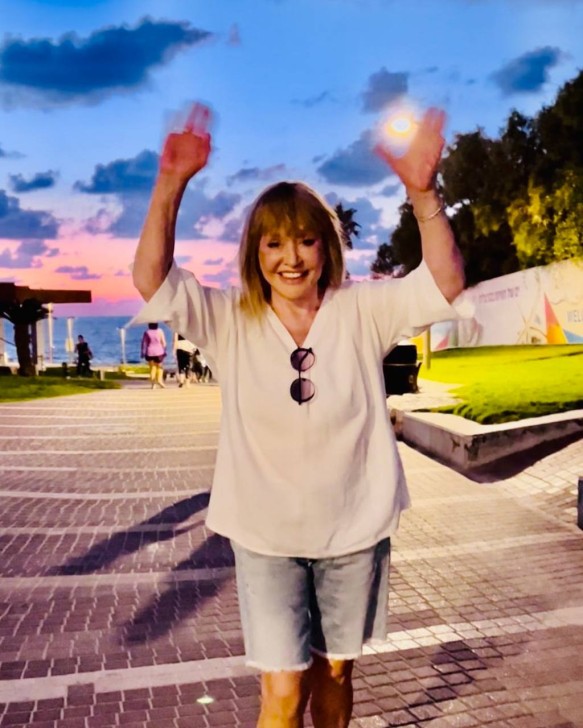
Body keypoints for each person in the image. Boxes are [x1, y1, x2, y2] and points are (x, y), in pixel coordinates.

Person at [132, 103, 465, 728]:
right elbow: (154, 280)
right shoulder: (230, 318)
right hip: (267, 538)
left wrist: (424, 195)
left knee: (335, 672)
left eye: (306, 240)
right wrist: (170, 183)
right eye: (274, 242)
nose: (291, 257)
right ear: (255, 251)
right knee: (283, 691)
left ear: (326, 247)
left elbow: (443, 284)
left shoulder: (361, 311)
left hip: (354, 529)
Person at [140, 322, 167, 389]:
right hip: (159, 352)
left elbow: (144, 343)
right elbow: (163, 342)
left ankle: (153, 384)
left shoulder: (147, 332)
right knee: (160, 367)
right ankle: (160, 381)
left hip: (149, 352)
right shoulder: (160, 331)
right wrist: (164, 350)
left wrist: (142, 352)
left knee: (152, 368)